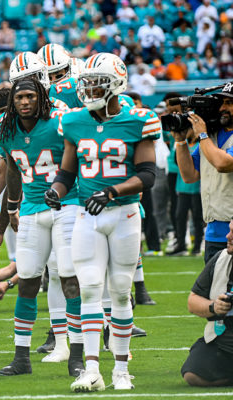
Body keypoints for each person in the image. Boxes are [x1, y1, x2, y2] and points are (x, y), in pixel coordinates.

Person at [45, 53, 161, 391]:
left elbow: (148, 175)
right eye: (86, 82)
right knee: (90, 289)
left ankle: (121, 370)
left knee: (121, 293)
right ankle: (92, 369)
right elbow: (66, 173)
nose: (89, 88)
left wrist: (112, 192)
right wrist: (56, 190)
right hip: (86, 214)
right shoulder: (75, 121)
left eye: (96, 81)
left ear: (116, 83)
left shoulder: (139, 119)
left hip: (123, 213)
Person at [0, 78, 83, 377]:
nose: (24, 102)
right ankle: (21, 358)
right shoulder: (5, 129)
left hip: (66, 205)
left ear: (41, 97)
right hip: (31, 209)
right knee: (28, 281)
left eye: (30, 96)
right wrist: (13, 206)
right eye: (19, 98)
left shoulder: (60, 121)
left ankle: (77, 355)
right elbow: (13, 170)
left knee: (69, 279)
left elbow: (79, 160)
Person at [175, 82, 233, 263]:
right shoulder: (212, 136)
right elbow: (189, 175)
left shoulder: (206, 136)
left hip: (231, 229)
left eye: (229, 104)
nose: (222, 108)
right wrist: (180, 142)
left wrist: (202, 135)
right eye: (221, 103)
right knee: (214, 290)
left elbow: (222, 164)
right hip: (213, 232)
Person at [181, 218, 233, 387]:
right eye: (229, 230)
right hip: (223, 341)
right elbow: (192, 301)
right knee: (193, 373)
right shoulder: (220, 258)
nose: (228, 236)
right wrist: (213, 307)